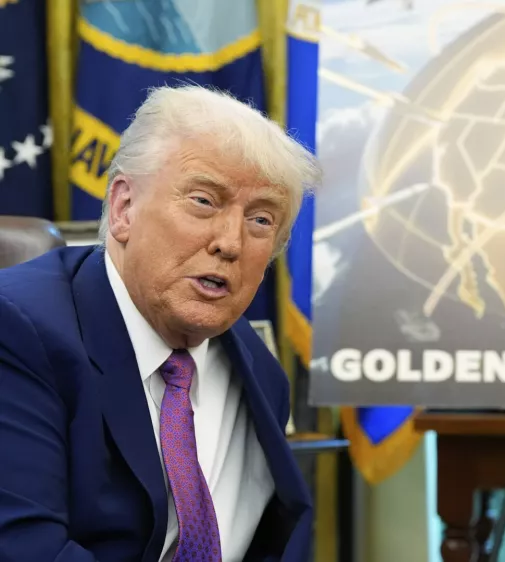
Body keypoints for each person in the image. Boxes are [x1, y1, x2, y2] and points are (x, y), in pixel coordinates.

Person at [0, 85, 320, 561]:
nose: (230, 243)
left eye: (260, 220)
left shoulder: (257, 371)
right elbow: (27, 549)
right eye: (204, 201)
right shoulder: (18, 330)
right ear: (124, 208)